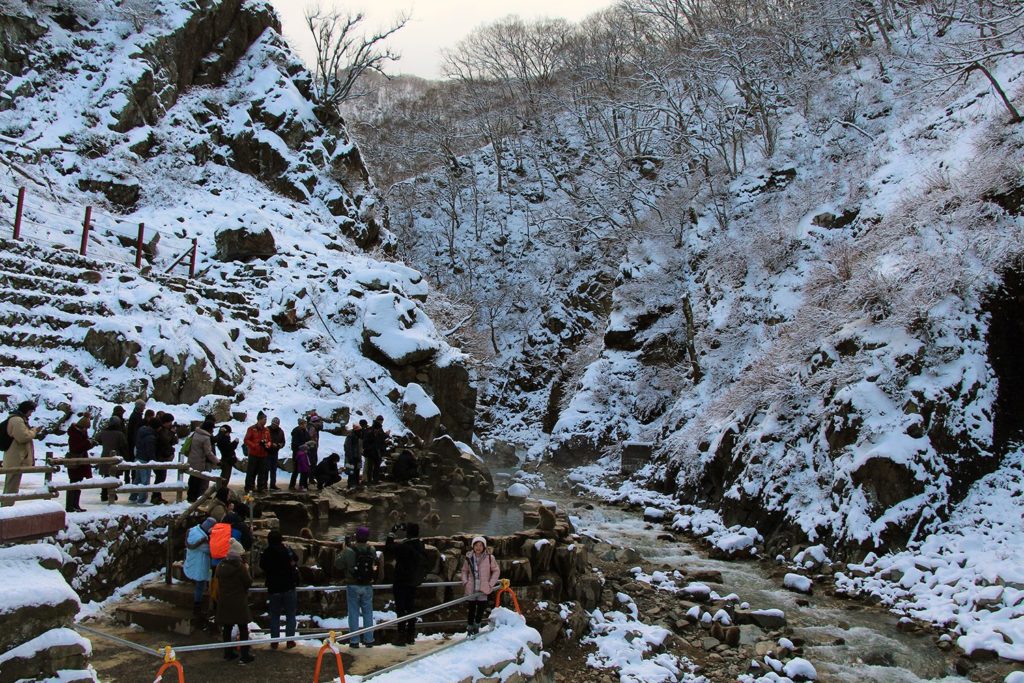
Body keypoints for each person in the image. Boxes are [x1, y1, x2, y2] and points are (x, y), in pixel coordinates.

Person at [335, 526, 377, 648]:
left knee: (353, 613)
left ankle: (354, 640)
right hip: (367, 585)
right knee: (368, 613)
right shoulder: (372, 549)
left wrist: (344, 549)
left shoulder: (349, 550)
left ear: (356, 537)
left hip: (353, 585)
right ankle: (369, 639)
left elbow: (338, 565)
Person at [385, 522, 426, 646]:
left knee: (401, 609)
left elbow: (389, 547)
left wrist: (392, 532)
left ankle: (401, 636)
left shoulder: (404, 547)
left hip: (401, 581)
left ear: (407, 533)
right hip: (413, 581)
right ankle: (410, 636)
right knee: (411, 608)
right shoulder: (420, 545)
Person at [216, 538, 254, 664]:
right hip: (238, 601)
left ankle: (228, 652)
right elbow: (248, 582)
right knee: (243, 627)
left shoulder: (220, 566)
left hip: (224, 600)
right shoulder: (240, 567)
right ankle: (244, 654)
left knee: (227, 627)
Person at [260, 529, 299, 649]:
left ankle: (275, 641)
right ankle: (290, 640)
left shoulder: (267, 552)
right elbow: (296, 559)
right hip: (288, 586)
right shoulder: (287, 550)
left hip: (274, 588)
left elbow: (262, 566)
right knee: (291, 615)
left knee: (275, 615)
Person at [461, 536, 500, 635]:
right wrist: (465, 582)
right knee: (471, 609)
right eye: (476, 545)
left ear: (484, 547)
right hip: (471, 588)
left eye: (480, 545)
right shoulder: (469, 557)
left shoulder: (489, 558)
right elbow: (464, 571)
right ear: (473, 546)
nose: (478, 548)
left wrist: (491, 584)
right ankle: (469, 628)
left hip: (484, 588)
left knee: (481, 610)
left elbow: (496, 571)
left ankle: (477, 626)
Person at [2, 401, 38, 505]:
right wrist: (34, 431)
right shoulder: (17, 420)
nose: (31, 414)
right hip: (16, 457)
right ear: (26, 410)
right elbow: (23, 437)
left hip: (16, 457)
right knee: (11, 486)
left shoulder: (17, 419)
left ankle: (6, 507)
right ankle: (7, 509)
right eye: (30, 411)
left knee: (11, 485)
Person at [185, 517, 216, 615]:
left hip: (193, 561)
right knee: (199, 586)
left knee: (199, 584)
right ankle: (197, 606)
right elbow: (210, 550)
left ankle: (197, 604)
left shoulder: (193, 531)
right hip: (200, 564)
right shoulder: (201, 539)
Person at [65, 415, 94, 513]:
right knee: (74, 484)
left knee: (77, 485)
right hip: (75, 462)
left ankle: (75, 505)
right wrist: (88, 443)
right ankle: (71, 506)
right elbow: (76, 448)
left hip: (80, 462)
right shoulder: (75, 435)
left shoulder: (79, 434)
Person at [97, 417, 129, 502]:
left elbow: (97, 439)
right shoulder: (119, 434)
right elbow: (124, 445)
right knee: (115, 476)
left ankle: (104, 494)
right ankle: (113, 494)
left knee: (106, 476)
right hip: (115, 457)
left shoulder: (103, 433)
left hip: (105, 456)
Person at [187, 418, 219, 502]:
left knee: (192, 479)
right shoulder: (205, 438)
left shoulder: (196, 433)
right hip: (200, 461)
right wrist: (217, 461)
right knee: (197, 482)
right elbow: (208, 452)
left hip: (192, 459)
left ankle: (190, 497)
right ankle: (194, 500)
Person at [151, 413, 177, 504]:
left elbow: (173, 441)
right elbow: (165, 440)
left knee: (161, 478)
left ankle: (157, 496)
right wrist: (172, 433)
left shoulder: (166, 430)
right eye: (170, 422)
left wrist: (172, 433)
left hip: (164, 456)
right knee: (160, 478)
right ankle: (155, 496)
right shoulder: (161, 430)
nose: (171, 424)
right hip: (160, 457)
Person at [243, 412, 271, 493]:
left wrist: (268, 445)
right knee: (251, 472)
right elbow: (246, 440)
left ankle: (261, 487)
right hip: (254, 454)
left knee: (262, 472)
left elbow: (269, 440)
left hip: (263, 454)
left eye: (266, 419)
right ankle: (249, 487)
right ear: (259, 420)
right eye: (264, 419)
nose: (265, 421)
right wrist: (255, 445)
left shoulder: (266, 430)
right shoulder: (251, 429)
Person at [131, 416, 156, 503]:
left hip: (138, 457)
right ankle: (142, 500)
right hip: (145, 459)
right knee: (145, 480)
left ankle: (132, 497)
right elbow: (150, 450)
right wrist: (153, 459)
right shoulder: (150, 437)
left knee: (137, 479)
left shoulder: (141, 431)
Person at [124, 399, 145, 483]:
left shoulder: (136, 415)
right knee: (132, 460)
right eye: (143, 406)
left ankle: (129, 478)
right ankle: (131, 479)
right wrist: (137, 442)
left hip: (132, 441)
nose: (144, 408)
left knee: (131, 460)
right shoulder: (136, 416)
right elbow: (135, 431)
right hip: (133, 442)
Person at [289, 418, 310, 491]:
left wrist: (309, 445)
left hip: (304, 453)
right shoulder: (296, 431)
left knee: (304, 469)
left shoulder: (305, 431)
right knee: (296, 470)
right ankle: (292, 485)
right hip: (297, 453)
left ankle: (303, 484)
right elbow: (295, 443)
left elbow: (308, 439)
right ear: (301, 424)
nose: (305, 425)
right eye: (304, 424)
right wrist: (302, 446)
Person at [362, 417, 385, 485]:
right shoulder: (369, 434)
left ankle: (375, 480)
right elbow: (365, 444)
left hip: (378, 453)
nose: (377, 431)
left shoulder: (380, 435)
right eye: (377, 429)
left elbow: (382, 444)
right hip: (370, 453)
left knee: (377, 467)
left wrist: (382, 452)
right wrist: (371, 447)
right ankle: (368, 480)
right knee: (369, 468)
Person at [267, 417, 286, 491]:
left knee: (273, 469)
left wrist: (280, 445)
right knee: (265, 469)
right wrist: (271, 444)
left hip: (275, 452)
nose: (274, 425)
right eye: (273, 424)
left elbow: (283, 442)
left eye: (275, 424)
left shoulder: (280, 431)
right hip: (267, 452)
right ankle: (263, 484)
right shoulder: (267, 430)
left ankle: (273, 484)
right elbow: (264, 440)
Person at [344, 424, 362, 489]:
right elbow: (347, 447)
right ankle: (351, 484)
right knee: (351, 471)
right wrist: (350, 456)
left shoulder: (358, 437)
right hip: (351, 456)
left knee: (357, 470)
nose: (360, 432)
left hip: (357, 456)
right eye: (359, 430)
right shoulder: (350, 436)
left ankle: (356, 483)